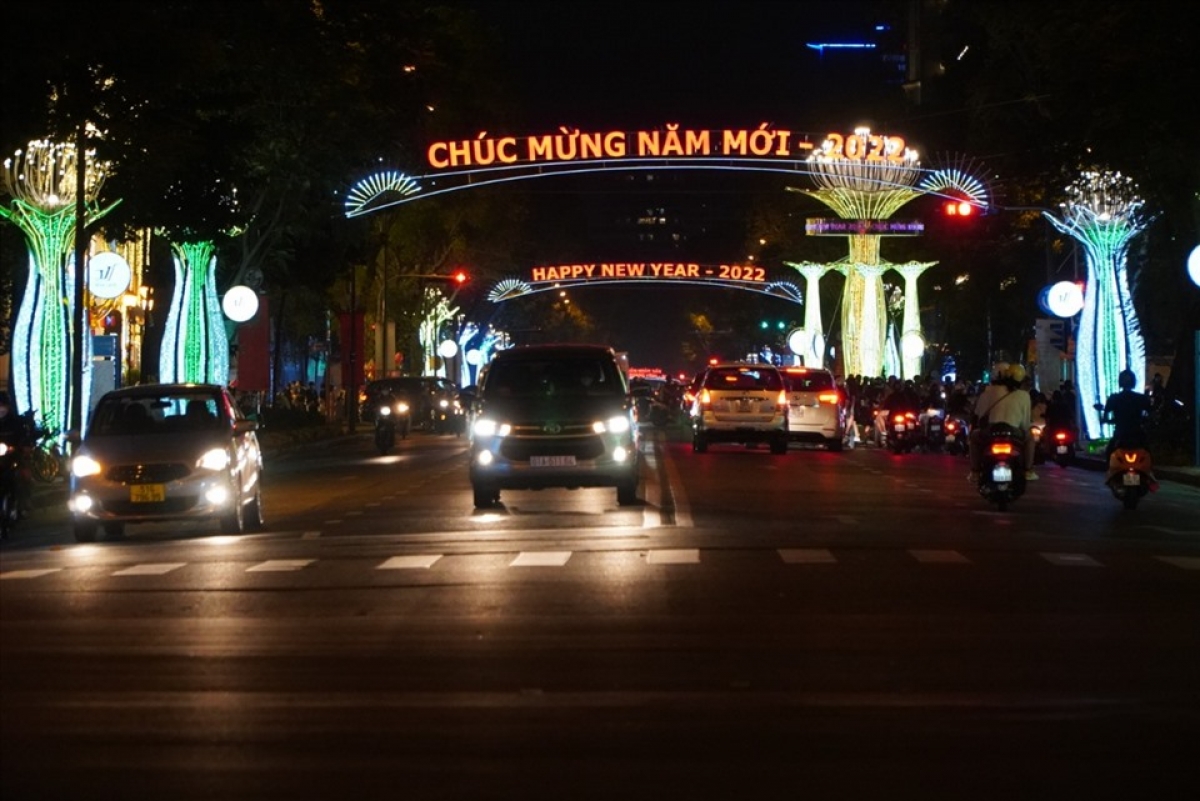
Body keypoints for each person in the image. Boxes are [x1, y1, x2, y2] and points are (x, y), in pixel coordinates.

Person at [968, 364, 1037, 482]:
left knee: (973, 437)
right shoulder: (1024, 395)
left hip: (991, 432)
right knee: (1030, 438)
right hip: (1014, 433)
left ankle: (975, 472)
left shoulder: (988, 392)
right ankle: (1028, 470)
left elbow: (979, 416)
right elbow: (1025, 424)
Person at [1100, 368, 1153, 459]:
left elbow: (1105, 416)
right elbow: (1151, 414)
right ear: (1133, 382)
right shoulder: (1141, 398)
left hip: (1121, 433)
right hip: (1137, 433)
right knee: (1148, 454)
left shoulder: (1114, 398)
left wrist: (1107, 420)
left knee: (1109, 455)